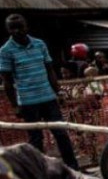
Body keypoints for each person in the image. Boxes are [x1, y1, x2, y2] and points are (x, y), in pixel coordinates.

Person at [1, 14, 79, 170]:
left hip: (48, 97)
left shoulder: (39, 44)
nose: (17, 31)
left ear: (26, 27)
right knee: (36, 139)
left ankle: (74, 168)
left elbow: (50, 70)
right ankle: (41, 173)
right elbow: (8, 82)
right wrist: (15, 106)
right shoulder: (6, 51)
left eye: (20, 27)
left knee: (61, 134)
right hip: (28, 101)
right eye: (13, 28)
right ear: (8, 30)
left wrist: (59, 92)